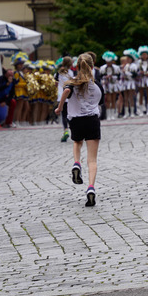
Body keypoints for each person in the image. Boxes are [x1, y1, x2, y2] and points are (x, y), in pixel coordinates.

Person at [54, 53, 103, 208]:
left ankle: (76, 163)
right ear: (92, 65)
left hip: (76, 120)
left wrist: (60, 106)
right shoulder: (97, 85)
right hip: (92, 120)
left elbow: (66, 91)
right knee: (92, 159)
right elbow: (100, 101)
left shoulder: (72, 82)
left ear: (77, 66)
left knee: (77, 142)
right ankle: (91, 188)